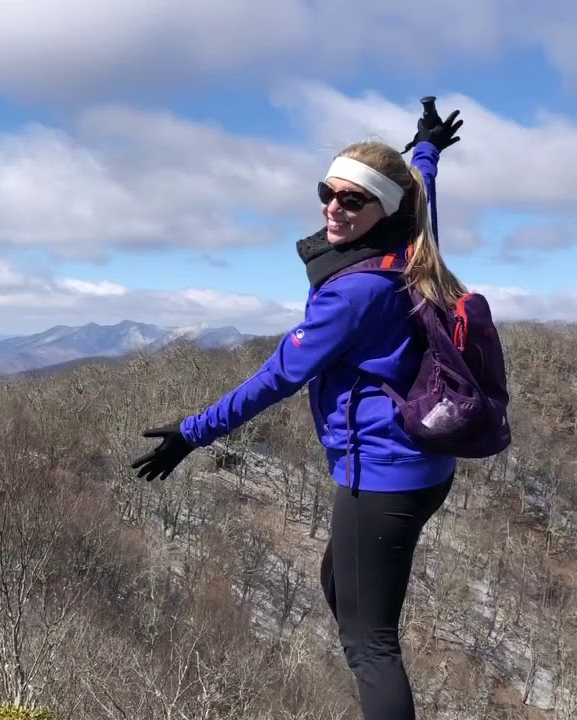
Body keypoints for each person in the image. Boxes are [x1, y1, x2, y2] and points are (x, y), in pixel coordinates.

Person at [131, 102, 466, 719]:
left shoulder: (353, 292)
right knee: (339, 585)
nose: (332, 209)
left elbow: (277, 377)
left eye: (351, 201)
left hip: (382, 473)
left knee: (370, 644)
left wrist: (190, 434)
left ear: (383, 211)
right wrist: (425, 150)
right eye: (327, 193)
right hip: (414, 466)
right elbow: (421, 192)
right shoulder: (412, 244)